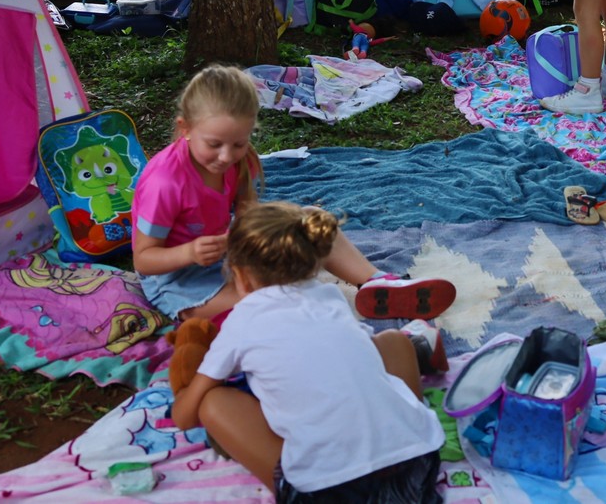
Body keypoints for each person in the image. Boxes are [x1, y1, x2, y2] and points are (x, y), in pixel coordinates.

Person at [132, 65, 455, 322]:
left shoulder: (239, 159)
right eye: (214, 144)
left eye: (239, 143)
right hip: (179, 279)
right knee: (271, 299)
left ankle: (377, 283)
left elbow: (246, 210)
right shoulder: (165, 183)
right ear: (186, 129)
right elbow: (144, 260)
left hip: (226, 253)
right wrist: (190, 253)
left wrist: (257, 237)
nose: (226, 156)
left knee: (314, 222)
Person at [171, 201, 446, 503]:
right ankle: (405, 402)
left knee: (213, 402)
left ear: (241, 277)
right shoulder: (329, 296)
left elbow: (185, 418)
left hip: (327, 491)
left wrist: (185, 393)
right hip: (417, 465)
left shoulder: (241, 321)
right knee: (393, 341)